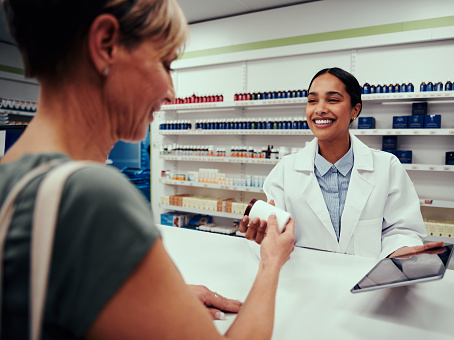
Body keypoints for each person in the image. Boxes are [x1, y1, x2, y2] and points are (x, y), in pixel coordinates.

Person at [0, 0, 295, 339]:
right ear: (106, 45)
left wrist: (146, 298)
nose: (171, 91)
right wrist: (271, 262)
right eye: (165, 63)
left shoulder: (11, 179)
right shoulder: (89, 195)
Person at [240, 67, 442, 259]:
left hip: (366, 285)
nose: (319, 109)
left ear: (355, 110)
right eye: (312, 100)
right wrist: (263, 237)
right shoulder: (286, 170)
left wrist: (399, 251)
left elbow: (402, 229)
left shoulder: (387, 167)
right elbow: (274, 231)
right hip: (304, 284)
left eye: (333, 100)